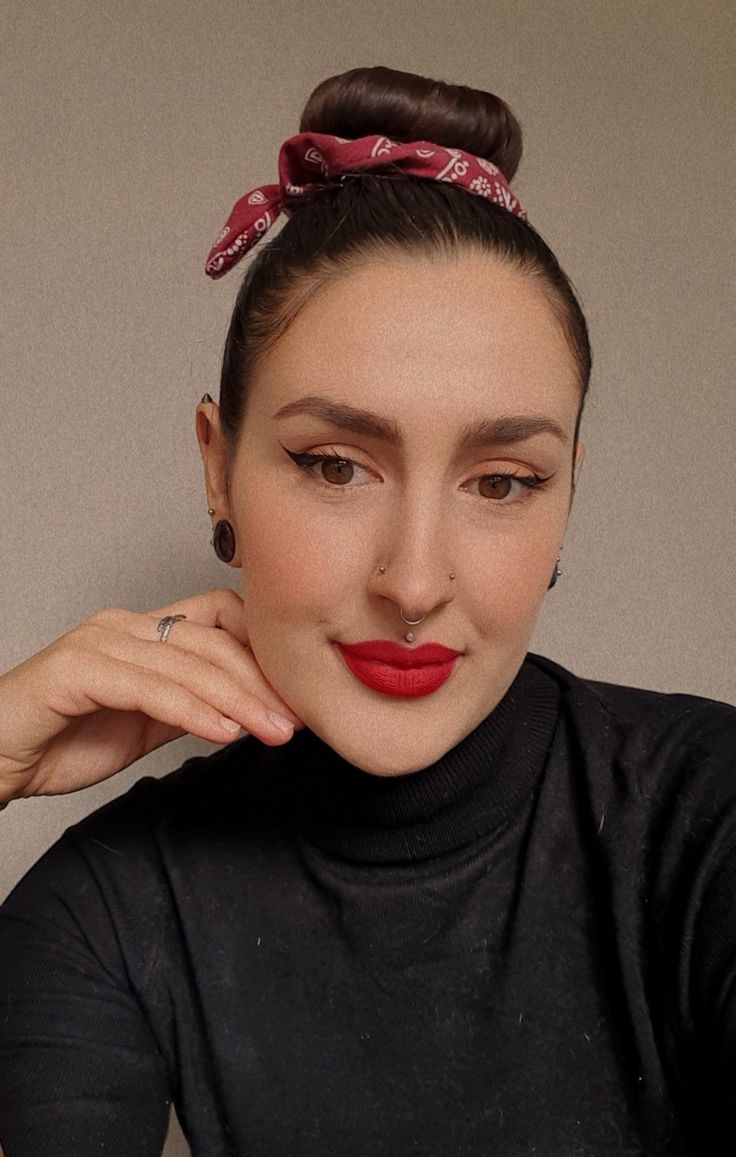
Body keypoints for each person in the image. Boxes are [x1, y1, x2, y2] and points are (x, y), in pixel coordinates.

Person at [0, 64, 734, 1157]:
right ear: (219, 467)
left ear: (566, 488)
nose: (413, 579)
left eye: (501, 480)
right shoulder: (100, 909)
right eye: (336, 464)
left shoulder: (707, 813)